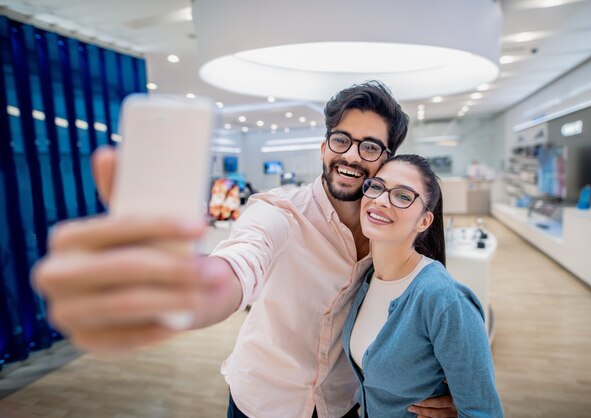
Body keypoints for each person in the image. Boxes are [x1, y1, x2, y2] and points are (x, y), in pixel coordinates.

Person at [33, 81, 458, 418]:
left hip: (342, 403)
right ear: (324, 144)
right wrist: (193, 288)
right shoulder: (279, 213)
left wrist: (446, 390)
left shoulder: (388, 231)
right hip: (263, 404)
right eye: (340, 139)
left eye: (368, 146)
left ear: (387, 158)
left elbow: (421, 315)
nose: (350, 155)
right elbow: (239, 262)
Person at [343, 154, 503, 417]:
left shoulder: (445, 300)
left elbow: (482, 410)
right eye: (377, 187)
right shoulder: (365, 278)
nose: (381, 200)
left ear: (424, 221)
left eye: (404, 196)